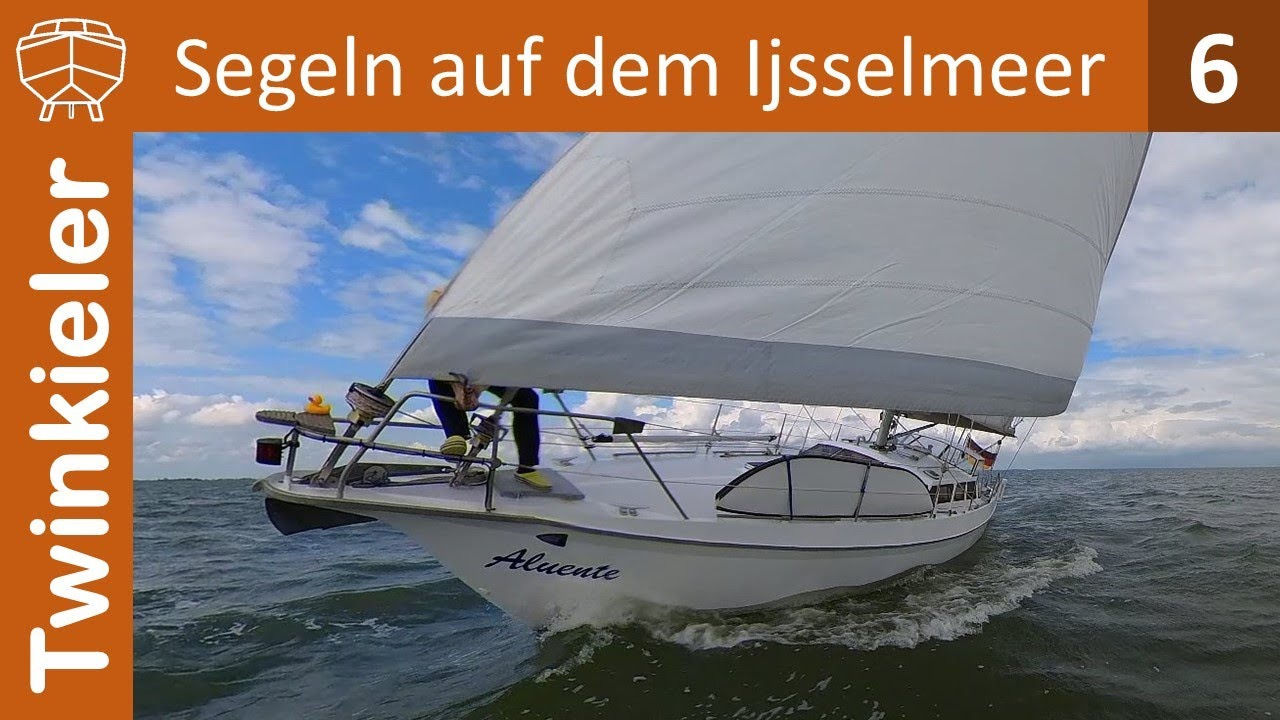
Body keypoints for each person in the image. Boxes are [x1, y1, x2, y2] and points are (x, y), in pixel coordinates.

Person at [429, 379, 548, 490]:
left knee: (527, 397)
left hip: (491, 367)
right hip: (449, 370)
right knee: (437, 377)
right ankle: (456, 436)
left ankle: (527, 468)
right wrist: (459, 388)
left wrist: (475, 388)